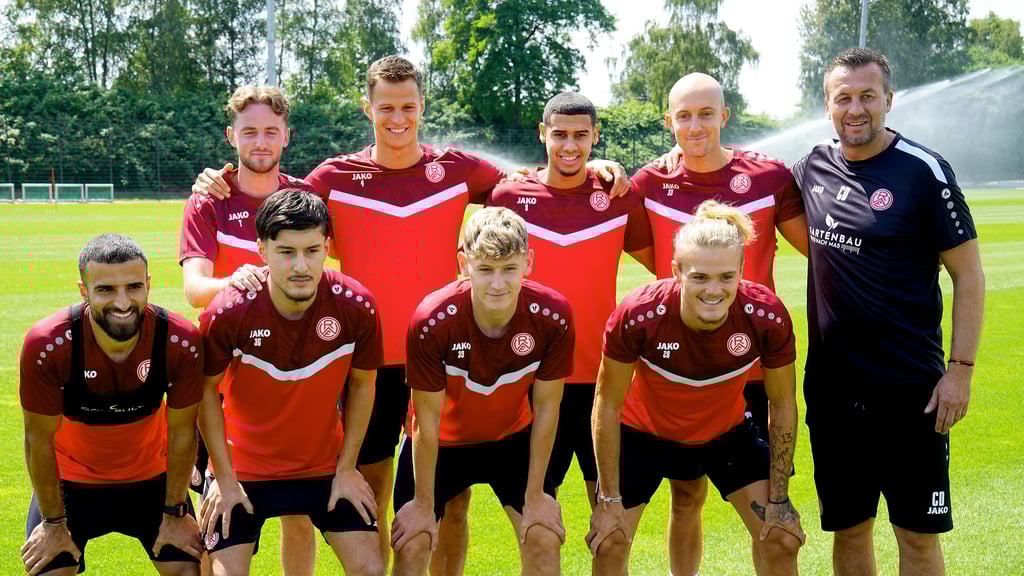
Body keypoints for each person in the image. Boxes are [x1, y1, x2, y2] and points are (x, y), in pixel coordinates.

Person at [192, 55, 626, 575]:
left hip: (447, 359)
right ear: (367, 108)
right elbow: (280, 211)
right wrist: (218, 181)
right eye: (385, 107)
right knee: (367, 488)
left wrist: (597, 169)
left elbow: (532, 184)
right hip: (361, 362)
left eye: (407, 106)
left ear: (422, 106)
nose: (397, 118)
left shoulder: (460, 170)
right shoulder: (333, 176)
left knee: (452, 497)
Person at [789, 47, 985, 576]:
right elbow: (738, 179)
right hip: (832, 391)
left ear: (889, 101)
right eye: (843, 98)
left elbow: (969, 274)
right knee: (850, 531)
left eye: (867, 97)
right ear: (827, 105)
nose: (856, 109)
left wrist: (960, 372)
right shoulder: (811, 167)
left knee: (917, 538)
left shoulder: (925, 171)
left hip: (912, 393)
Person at [632, 72, 808, 576]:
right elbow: (653, 262)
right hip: (681, 374)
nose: (695, 126)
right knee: (686, 496)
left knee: (769, 514)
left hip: (756, 370)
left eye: (706, 113)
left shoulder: (770, 176)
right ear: (668, 122)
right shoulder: (648, 183)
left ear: (724, 117)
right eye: (683, 116)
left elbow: (819, 251)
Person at [588, 201, 805, 576]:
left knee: (781, 538)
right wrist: (608, 499)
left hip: (725, 435)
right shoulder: (639, 315)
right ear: (676, 272)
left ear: (741, 270)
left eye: (726, 277)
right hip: (645, 434)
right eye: (700, 277)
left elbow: (783, 404)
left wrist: (780, 498)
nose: (714, 290)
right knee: (610, 542)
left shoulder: (765, 316)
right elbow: (607, 403)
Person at [196, 189, 384, 576]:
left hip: (322, 468)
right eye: (286, 252)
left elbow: (364, 385)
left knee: (370, 568)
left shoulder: (356, 306)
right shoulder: (229, 311)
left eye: (312, 251)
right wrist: (224, 478)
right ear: (261, 250)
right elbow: (204, 392)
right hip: (244, 470)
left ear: (327, 247)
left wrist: (348, 468)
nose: (301, 265)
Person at [487, 91, 651, 511]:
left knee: (610, 514)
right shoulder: (508, 199)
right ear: (543, 134)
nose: (570, 146)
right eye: (559, 134)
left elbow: (664, 266)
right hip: (533, 377)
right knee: (537, 515)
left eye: (581, 135)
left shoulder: (617, 198)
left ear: (596, 136)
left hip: (602, 379)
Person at [179, 85, 318, 576]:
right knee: (218, 500)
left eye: (271, 132)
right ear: (230, 136)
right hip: (222, 373)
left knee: (300, 509)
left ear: (287, 137)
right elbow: (195, 289)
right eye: (249, 131)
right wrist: (235, 280)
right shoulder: (209, 200)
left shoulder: (305, 198)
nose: (260, 142)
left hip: (294, 369)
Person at [390, 207, 573, 576]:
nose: (497, 284)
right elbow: (424, 419)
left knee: (544, 537)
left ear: (529, 262)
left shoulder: (553, 315)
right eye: (485, 269)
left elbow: (548, 406)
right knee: (412, 543)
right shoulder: (432, 319)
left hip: (510, 440)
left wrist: (536, 495)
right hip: (441, 442)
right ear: (463, 264)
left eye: (509, 268)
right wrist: (423, 505)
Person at [20, 233, 204, 575]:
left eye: (134, 287)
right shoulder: (48, 344)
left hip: (152, 479)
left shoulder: (178, 340)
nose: (122, 302)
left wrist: (175, 513)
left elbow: (182, 432)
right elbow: (38, 441)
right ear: (83, 290)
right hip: (71, 484)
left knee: (190, 570)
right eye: (105, 289)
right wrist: (53, 524)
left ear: (149, 283)